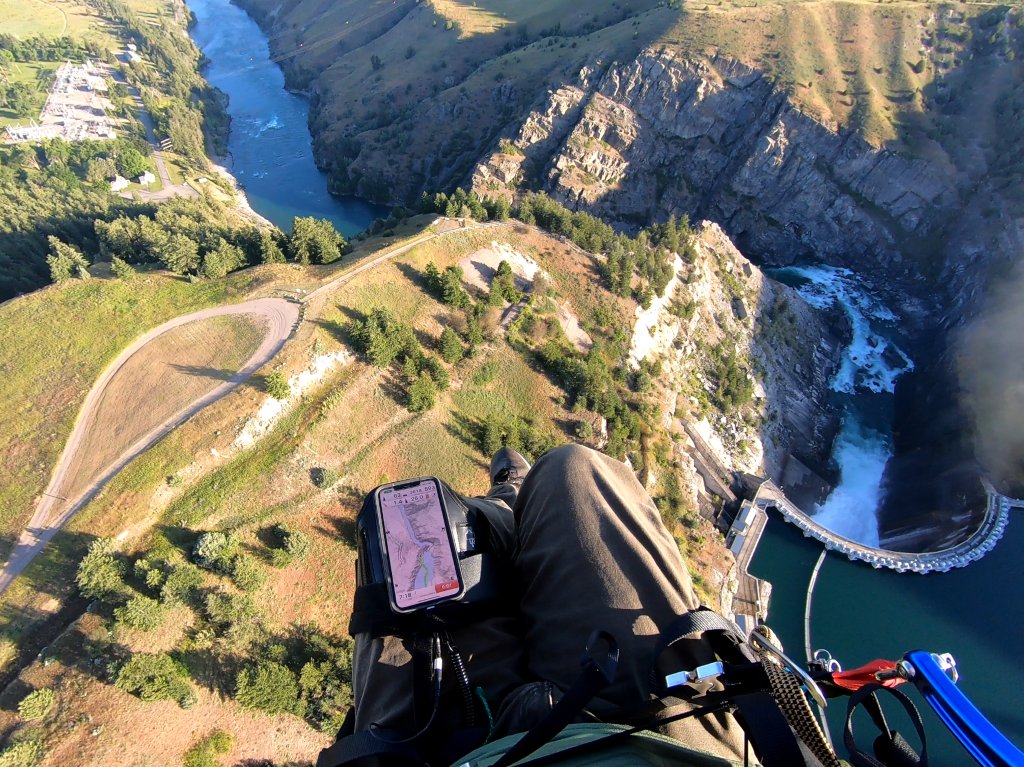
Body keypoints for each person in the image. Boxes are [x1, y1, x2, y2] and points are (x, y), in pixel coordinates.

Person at [328, 444, 752, 766]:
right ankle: (510, 497)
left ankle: (505, 500)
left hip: (450, 752)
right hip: (652, 727)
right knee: (575, 467)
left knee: (415, 551)